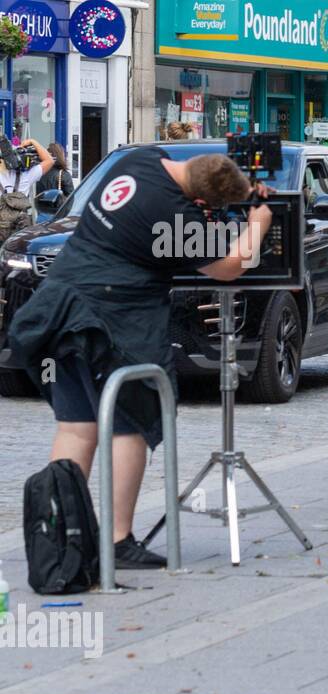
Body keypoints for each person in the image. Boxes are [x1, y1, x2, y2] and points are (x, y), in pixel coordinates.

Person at [7, 148, 270, 567]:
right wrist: (257, 223)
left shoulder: (142, 160)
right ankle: (117, 540)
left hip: (58, 305)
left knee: (77, 426)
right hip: (111, 321)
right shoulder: (174, 215)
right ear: (201, 204)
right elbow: (230, 266)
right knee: (132, 419)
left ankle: (61, 535)